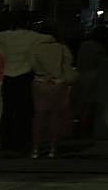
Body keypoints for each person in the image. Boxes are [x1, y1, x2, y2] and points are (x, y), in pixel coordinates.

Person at [0, 12, 44, 156]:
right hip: (24, 76)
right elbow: (49, 39)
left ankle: (6, 142)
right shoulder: (33, 36)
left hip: (8, 76)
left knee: (7, 111)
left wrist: (3, 51)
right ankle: (22, 142)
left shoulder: (5, 36)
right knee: (24, 111)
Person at [31, 24, 76, 159]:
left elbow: (31, 65)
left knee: (39, 116)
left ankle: (36, 149)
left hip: (40, 83)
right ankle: (52, 148)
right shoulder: (62, 48)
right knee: (55, 117)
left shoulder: (35, 48)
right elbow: (68, 64)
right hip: (58, 84)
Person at [75, 24, 108, 136]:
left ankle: (79, 125)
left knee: (81, 102)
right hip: (94, 76)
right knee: (90, 103)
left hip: (81, 75)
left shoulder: (84, 45)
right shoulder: (100, 48)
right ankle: (85, 127)